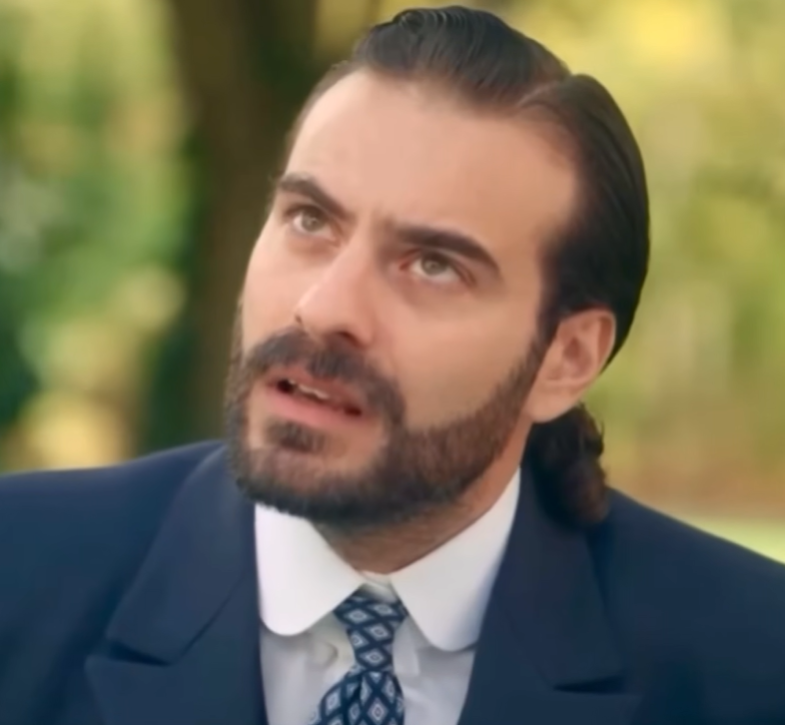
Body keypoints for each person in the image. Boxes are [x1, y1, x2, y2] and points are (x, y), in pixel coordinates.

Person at [1, 5, 785, 725]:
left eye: (433, 265)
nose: (323, 308)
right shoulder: (21, 575)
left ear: (565, 357)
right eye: (309, 219)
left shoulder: (751, 664)